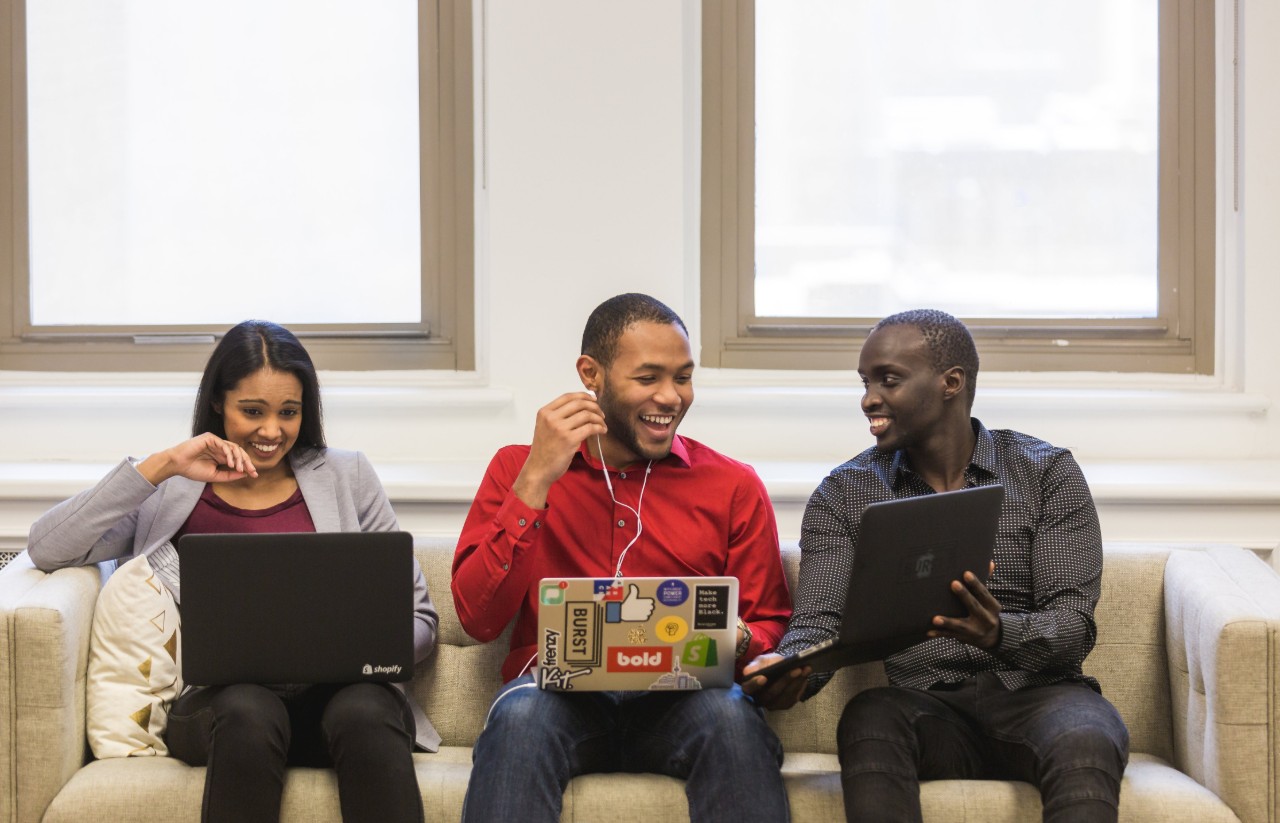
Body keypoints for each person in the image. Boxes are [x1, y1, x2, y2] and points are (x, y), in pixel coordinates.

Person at [27, 320, 437, 823]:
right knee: (249, 707)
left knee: (366, 710)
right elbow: (48, 548)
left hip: (340, 705)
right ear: (219, 403)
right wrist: (161, 465)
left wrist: (365, 653)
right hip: (225, 714)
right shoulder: (171, 489)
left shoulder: (347, 475)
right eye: (252, 411)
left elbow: (418, 617)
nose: (272, 431)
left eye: (289, 412)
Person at [744, 309, 1130, 823]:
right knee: (869, 717)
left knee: (1086, 737)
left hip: (1041, 699)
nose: (869, 399)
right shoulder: (846, 492)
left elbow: (1073, 627)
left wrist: (999, 633)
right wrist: (791, 670)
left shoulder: (1045, 472)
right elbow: (820, 623)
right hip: (925, 707)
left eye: (889, 380)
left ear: (951, 383)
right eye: (865, 382)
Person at [452, 293, 794, 823]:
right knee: (519, 717)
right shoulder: (517, 469)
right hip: (553, 698)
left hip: (685, 701)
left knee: (731, 720)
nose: (671, 396)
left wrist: (742, 637)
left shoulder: (732, 485)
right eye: (648, 377)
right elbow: (478, 618)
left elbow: (769, 620)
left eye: (682, 377)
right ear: (592, 374)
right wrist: (537, 480)